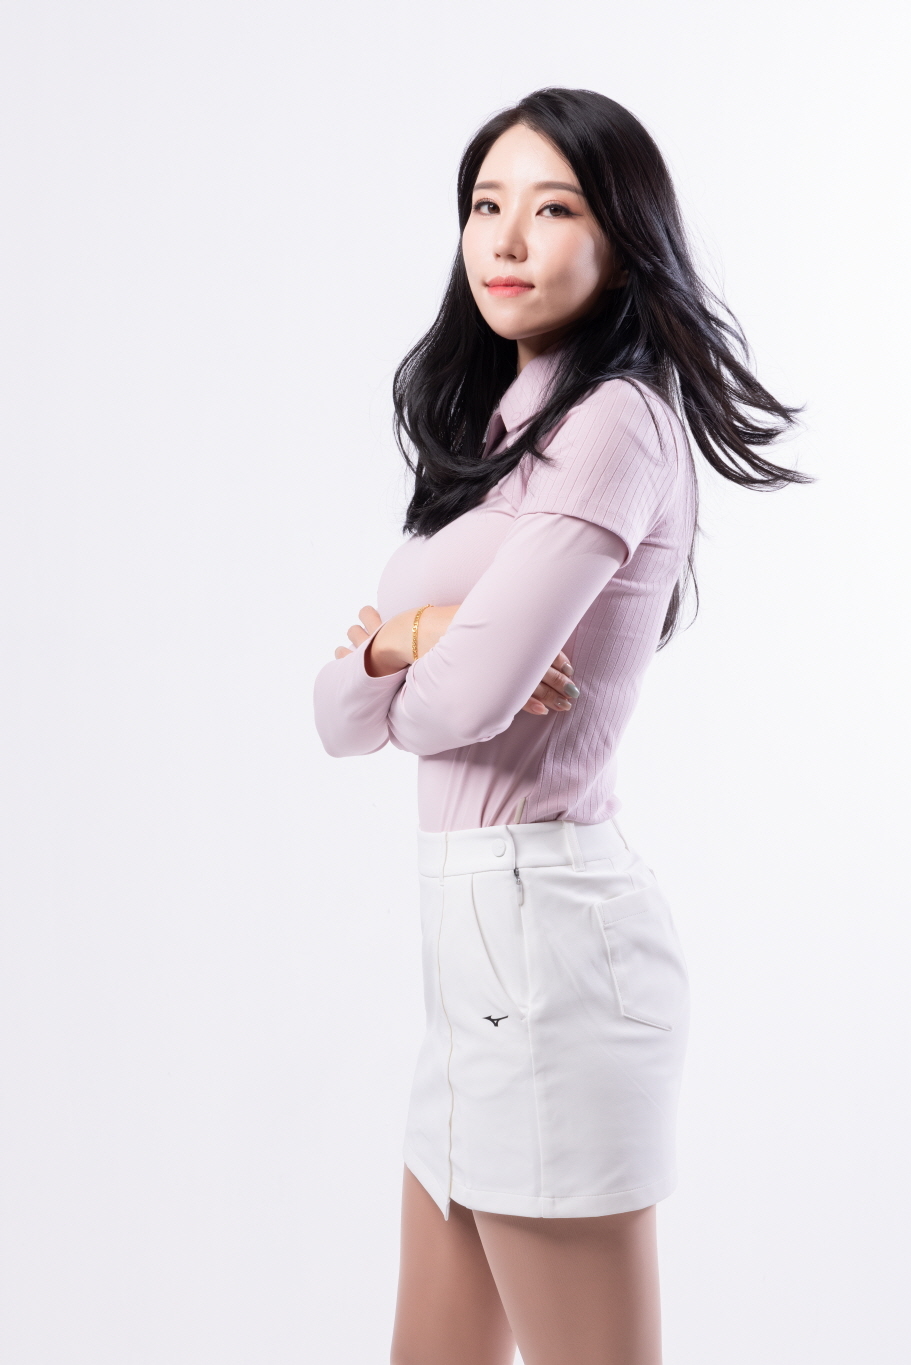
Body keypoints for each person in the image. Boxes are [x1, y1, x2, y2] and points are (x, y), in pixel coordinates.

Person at [313, 87, 804, 1365]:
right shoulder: (501, 434)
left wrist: (412, 657)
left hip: (544, 946)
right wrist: (408, 640)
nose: (505, 239)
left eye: (552, 209)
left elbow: (466, 705)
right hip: (474, 950)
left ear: (622, 243)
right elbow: (339, 715)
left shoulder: (616, 425)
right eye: (486, 205)